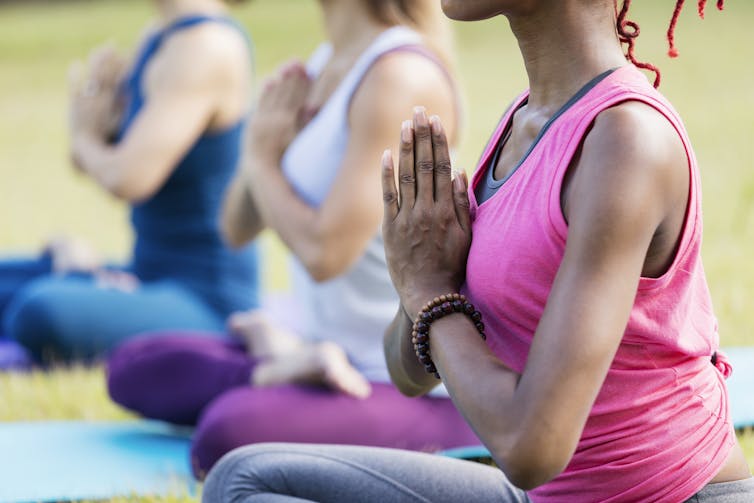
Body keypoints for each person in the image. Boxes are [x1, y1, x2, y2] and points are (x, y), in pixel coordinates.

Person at [202, 1, 754, 502]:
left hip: (667, 496)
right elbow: (408, 373)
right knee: (244, 478)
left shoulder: (626, 141)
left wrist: (429, 291)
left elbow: (530, 447)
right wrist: (416, 276)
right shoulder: (523, 120)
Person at [106, 0, 480, 480]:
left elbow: (326, 253)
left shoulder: (399, 75)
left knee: (226, 434)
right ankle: (283, 366)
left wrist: (264, 164)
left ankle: (279, 372)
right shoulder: (325, 62)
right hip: (321, 350)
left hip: (402, 382)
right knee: (134, 364)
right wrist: (261, 146)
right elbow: (235, 227)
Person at [0, 0, 259, 364]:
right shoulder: (160, 35)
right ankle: (90, 280)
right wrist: (93, 128)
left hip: (206, 301)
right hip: (143, 275)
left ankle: (87, 283)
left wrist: (83, 138)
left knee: (39, 311)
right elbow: (94, 158)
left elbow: (128, 177)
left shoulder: (208, 46)